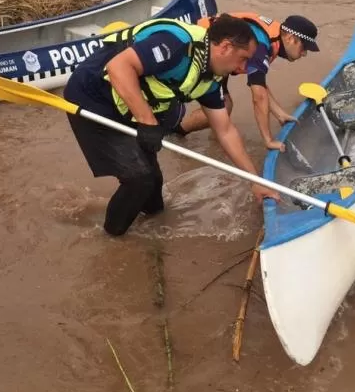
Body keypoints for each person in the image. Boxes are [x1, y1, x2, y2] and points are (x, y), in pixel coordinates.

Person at [63, 13, 280, 237]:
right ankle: (111, 239)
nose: (244, 69)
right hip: (93, 100)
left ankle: (127, 215)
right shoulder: (175, 44)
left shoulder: (210, 80)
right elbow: (119, 67)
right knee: (139, 180)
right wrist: (147, 121)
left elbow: (225, 131)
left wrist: (255, 181)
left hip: (130, 107)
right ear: (225, 47)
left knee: (154, 196)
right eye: (244, 59)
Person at [176, 13, 320, 151]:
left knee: (223, 108)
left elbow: (259, 83)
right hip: (204, 53)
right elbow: (258, 96)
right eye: (304, 47)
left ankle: (189, 135)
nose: (304, 54)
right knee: (224, 107)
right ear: (290, 38)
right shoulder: (262, 46)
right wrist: (268, 140)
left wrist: (280, 114)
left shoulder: (272, 37)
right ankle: (176, 132)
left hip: (221, 55)